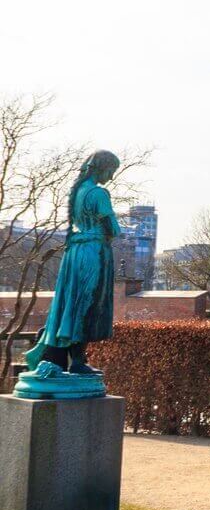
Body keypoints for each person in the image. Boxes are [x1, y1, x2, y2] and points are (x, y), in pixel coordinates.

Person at [25, 150, 122, 375]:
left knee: (74, 303)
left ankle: (75, 359)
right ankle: (78, 360)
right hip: (93, 252)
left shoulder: (78, 192)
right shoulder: (98, 194)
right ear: (103, 168)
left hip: (76, 253)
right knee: (87, 304)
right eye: (111, 171)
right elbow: (113, 228)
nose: (111, 177)